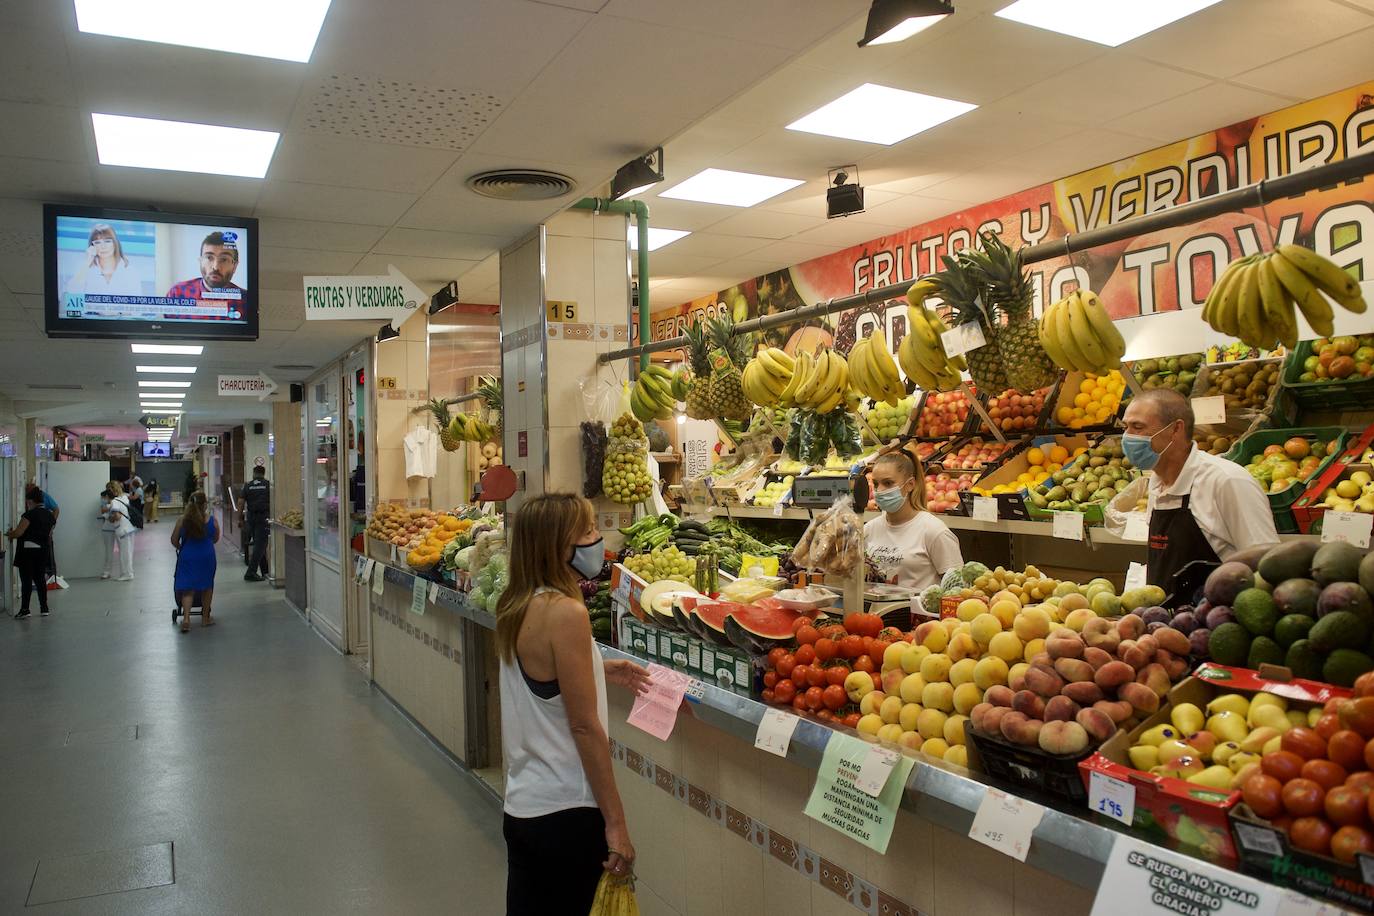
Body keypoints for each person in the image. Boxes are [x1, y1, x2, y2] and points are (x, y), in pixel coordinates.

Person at [495, 493, 649, 916]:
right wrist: (616, 823)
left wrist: (599, 668)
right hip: (567, 810)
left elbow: (541, 680)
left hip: (524, 805)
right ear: (558, 546)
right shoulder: (566, 612)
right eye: (587, 531)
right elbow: (584, 727)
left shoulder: (516, 602)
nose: (598, 538)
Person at [1119, 389, 1278, 590]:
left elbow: (1268, 566)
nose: (1127, 437)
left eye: (1138, 427)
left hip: (1219, 608)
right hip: (1168, 609)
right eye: (1125, 427)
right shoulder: (1156, 483)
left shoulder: (1227, 481)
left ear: (1176, 429)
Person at [864, 450, 963, 590]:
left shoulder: (934, 531)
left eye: (888, 483)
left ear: (910, 484)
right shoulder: (869, 529)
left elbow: (957, 589)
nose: (879, 490)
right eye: (875, 484)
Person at [165, 231, 245, 316]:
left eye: (224, 259)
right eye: (209, 257)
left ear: (235, 266)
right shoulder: (177, 292)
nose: (215, 267)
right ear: (200, 261)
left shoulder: (246, 299)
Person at [172, 491, 219, 633]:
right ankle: (205, 618)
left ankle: (186, 619)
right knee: (207, 587)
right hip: (207, 556)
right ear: (205, 505)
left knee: (188, 589)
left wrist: (182, 548)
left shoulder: (182, 520)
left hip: (188, 556)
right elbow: (215, 539)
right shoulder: (212, 521)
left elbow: (174, 540)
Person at [6, 488, 56, 618]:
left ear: (30, 501)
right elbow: (49, 534)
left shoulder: (29, 515)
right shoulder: (50, 516)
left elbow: (19, 532)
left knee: (26, 580)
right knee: (40, 580)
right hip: (43, 551)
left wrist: (10, 534)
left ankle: (25, 609)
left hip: (28, 551)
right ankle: (44, 608)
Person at [65, 223, 143, 297]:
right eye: (97, 242)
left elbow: (136, 303)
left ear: (115, 243)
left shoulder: (130, 272)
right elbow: (71, 292)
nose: (103, 246)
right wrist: (88, 262)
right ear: (92, 246)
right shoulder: (86, 269)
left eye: (107, 241)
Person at [241, 465, 271, 581]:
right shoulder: (267, 485)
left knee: (258, 543)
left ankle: (265, 571)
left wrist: (239, 518)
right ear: (263, 473)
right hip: (263, 517)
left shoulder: (248, 485)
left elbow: (240, 501)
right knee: (260, 545)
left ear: (254, 473)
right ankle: (251, 572)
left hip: (251, 518)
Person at [105, 480, 136, 581]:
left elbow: (117, 516)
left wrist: (110, 518)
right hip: (129, 528)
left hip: (122, 529)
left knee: (124, 553)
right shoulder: (124, 498)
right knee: (128, 553)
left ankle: (127, 574)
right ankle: (129, 573)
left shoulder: (114, 502)